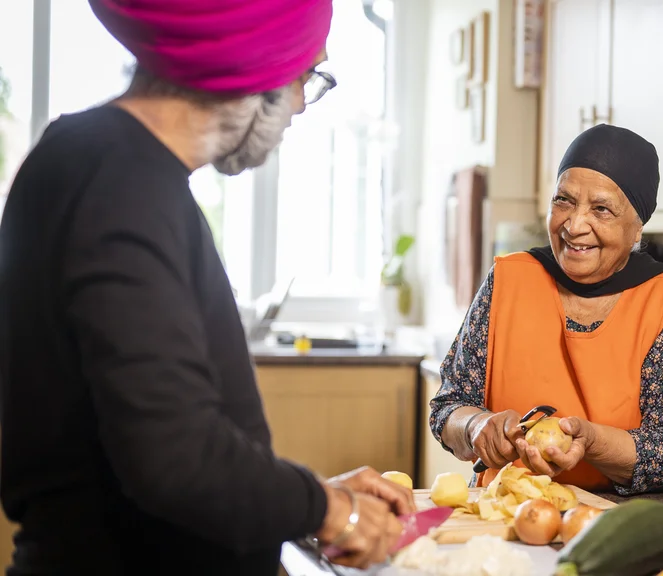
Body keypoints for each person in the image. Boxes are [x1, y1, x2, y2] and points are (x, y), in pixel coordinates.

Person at [0, 1, 413, 574]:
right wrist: (327, 509)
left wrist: (304, 501)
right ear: (255, 67)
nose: (298, 104)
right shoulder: (120, 186)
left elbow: (162, 432)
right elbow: (176, 456)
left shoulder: (101, 162)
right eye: (305, 76)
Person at [429, 124, 663, 495]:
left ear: (637, 227)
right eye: (564, 200)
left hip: (620, 527)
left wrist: (590, 442)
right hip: (505, 514)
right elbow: (448, 406)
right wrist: (475, 427)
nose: (575, 225)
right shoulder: (508, 280)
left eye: (601, 209)